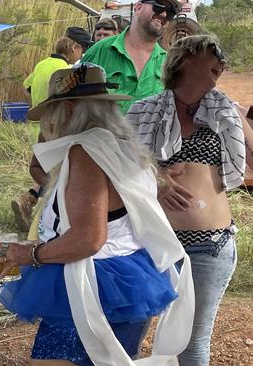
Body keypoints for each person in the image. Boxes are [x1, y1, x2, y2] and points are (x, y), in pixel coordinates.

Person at [0, 64, 194, 365]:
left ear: (69, 109)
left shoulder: (85, 153)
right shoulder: (122, 146)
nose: (48, 124)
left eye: (51, 115)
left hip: (93, 285)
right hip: (127, 277)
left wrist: (32, 254)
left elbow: (88, 238)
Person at [127, 35, 253, 366]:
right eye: (215, 53)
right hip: (147, 243)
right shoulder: (143, 110)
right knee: (129, 334)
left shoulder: (227, 113)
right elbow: (117, 170)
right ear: (185, 59)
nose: (223, 62)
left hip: (208, 247)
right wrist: (155, 179)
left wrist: (240, 119)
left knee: (192, 344)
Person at [12, 27, 92, 232]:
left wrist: (39, 101)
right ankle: (42, 203)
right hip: (60, 124)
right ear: (74, 48)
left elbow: (26, 86)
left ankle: (31, 201)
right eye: (81, 50)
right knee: (57, 169)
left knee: (46, 168)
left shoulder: (41, 64)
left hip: (41, 120)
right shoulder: (67, 71)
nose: (81, 55)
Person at [81, 0, 181, 114]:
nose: (164, 14)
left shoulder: (169, 64)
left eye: (170, 12)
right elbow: (72, 104)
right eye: (158, 7)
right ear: (138, 7)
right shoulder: (98, 51)